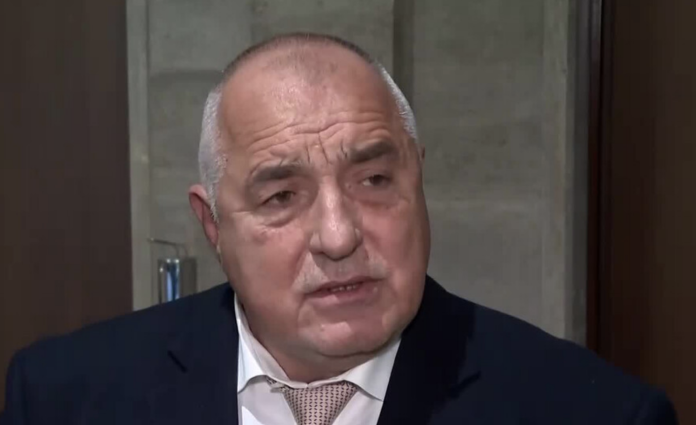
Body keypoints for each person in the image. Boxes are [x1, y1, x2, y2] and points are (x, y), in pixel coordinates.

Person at [0, 33, 677, 425]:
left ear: (418, 179)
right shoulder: (63, 398)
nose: (337, 235)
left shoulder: (591, 412)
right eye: (281, 196)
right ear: (213, 223)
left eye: (375, 180)